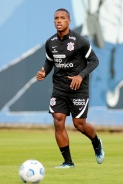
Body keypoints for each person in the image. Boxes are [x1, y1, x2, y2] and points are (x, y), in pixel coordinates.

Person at [36, 8, 105, 168]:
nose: (58, 21)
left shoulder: (80, 41)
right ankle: (68, 162)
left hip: (78, 89)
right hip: (59, 88)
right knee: (58, 121)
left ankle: (96, 141)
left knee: (79, 124)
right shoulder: (50, 42)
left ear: (69, 21)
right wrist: (44, 72)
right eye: (56, 18)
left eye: (62, 18)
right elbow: (49, 62)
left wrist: (80, 76)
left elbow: (94, 61)